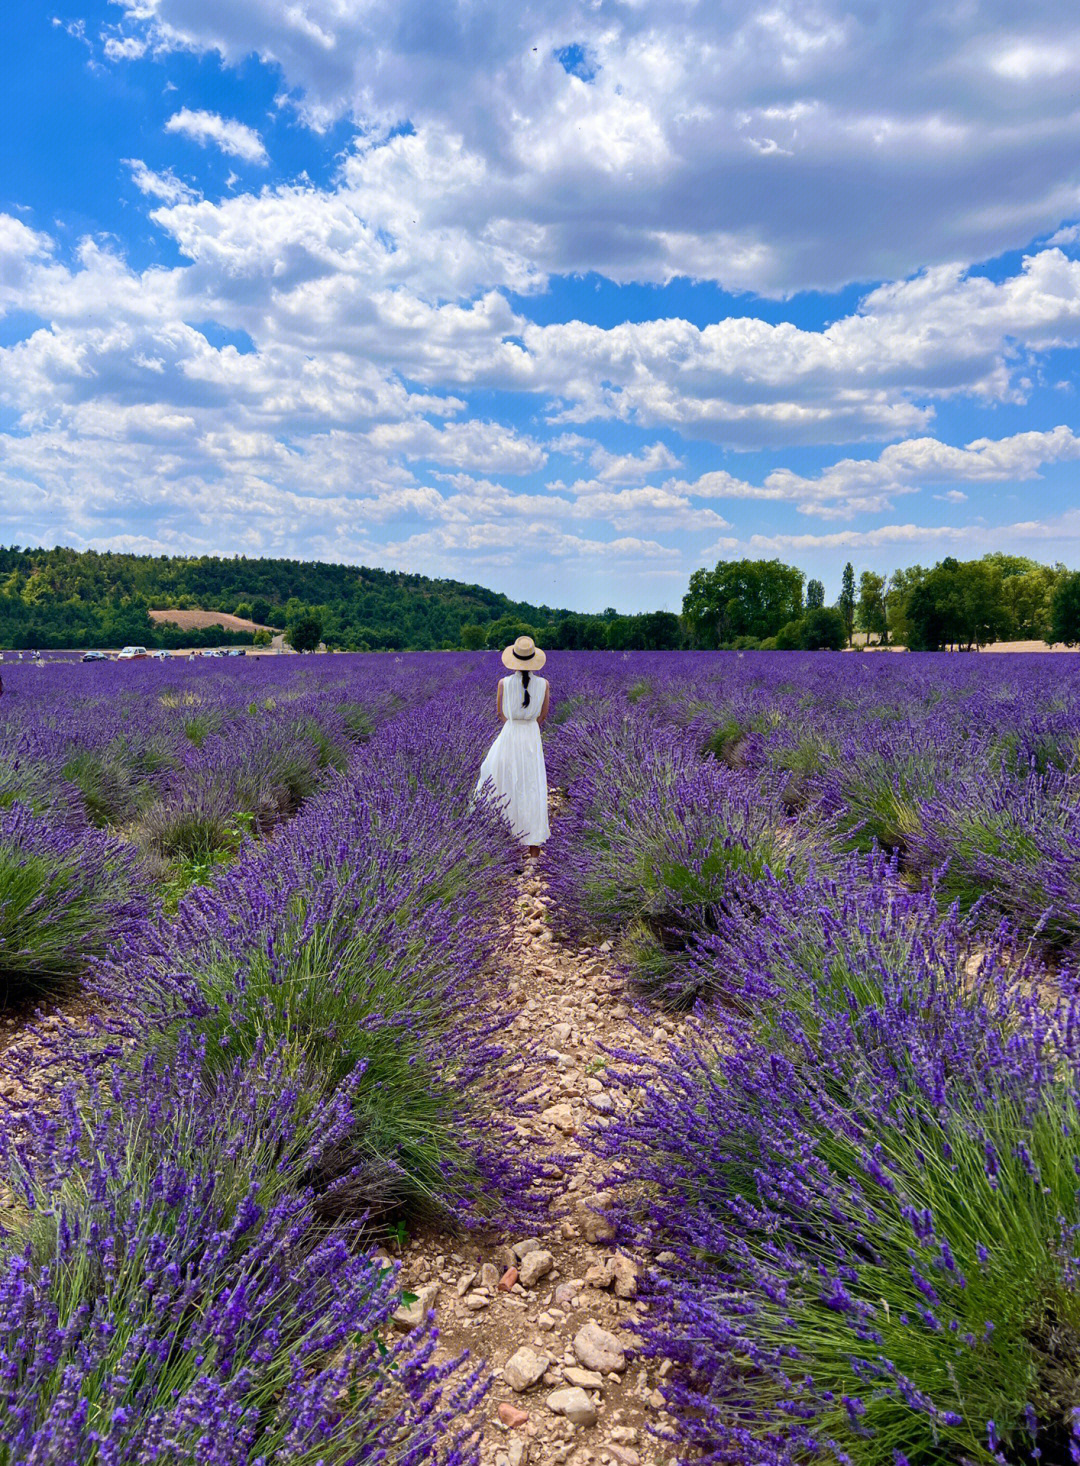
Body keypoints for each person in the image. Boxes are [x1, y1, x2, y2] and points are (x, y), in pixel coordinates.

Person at [476, 635, 551, 859]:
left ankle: (503, 839)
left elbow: (500, 713)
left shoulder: (503, 683)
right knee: (532, 786)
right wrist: (529, 726)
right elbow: (543, 715)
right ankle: (533, 849)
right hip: (531, 735)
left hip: (510, 734)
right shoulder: (544, 684)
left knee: (503, 782)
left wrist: (514, 725)